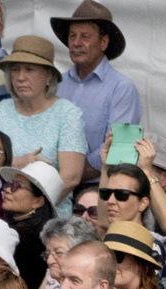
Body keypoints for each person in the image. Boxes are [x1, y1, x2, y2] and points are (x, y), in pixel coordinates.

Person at [0, 37, 86, 191]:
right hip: (1, 206)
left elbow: (71, 177)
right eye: (15, 69)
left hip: (49, 210)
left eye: (29, 70)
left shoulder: (68, 114)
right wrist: (20, 162)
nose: (20, 77)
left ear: (48, 76)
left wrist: (34, 205)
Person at [53, 1, 144, 172]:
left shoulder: (123, 88)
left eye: (85, 36)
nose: (76, 43)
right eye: (72, 36)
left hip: (97, 188)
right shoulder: (57, 83)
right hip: (52, 182)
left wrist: (71, 176)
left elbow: (120, 150)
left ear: (103, 42)